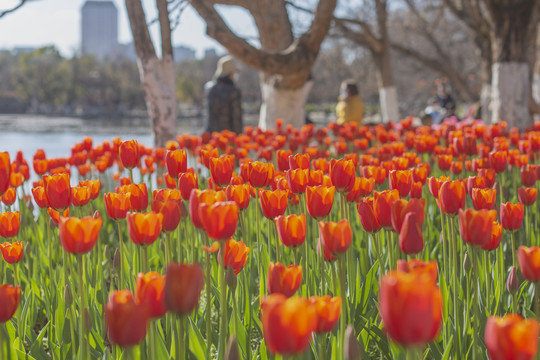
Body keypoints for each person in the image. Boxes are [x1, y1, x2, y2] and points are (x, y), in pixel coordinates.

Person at [204, 55, 243, 133]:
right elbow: (236, 118)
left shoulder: (209, 88)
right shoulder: (234, 91)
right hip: (228, 136)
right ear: (231, 73)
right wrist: (239, 137)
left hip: (212, 135)